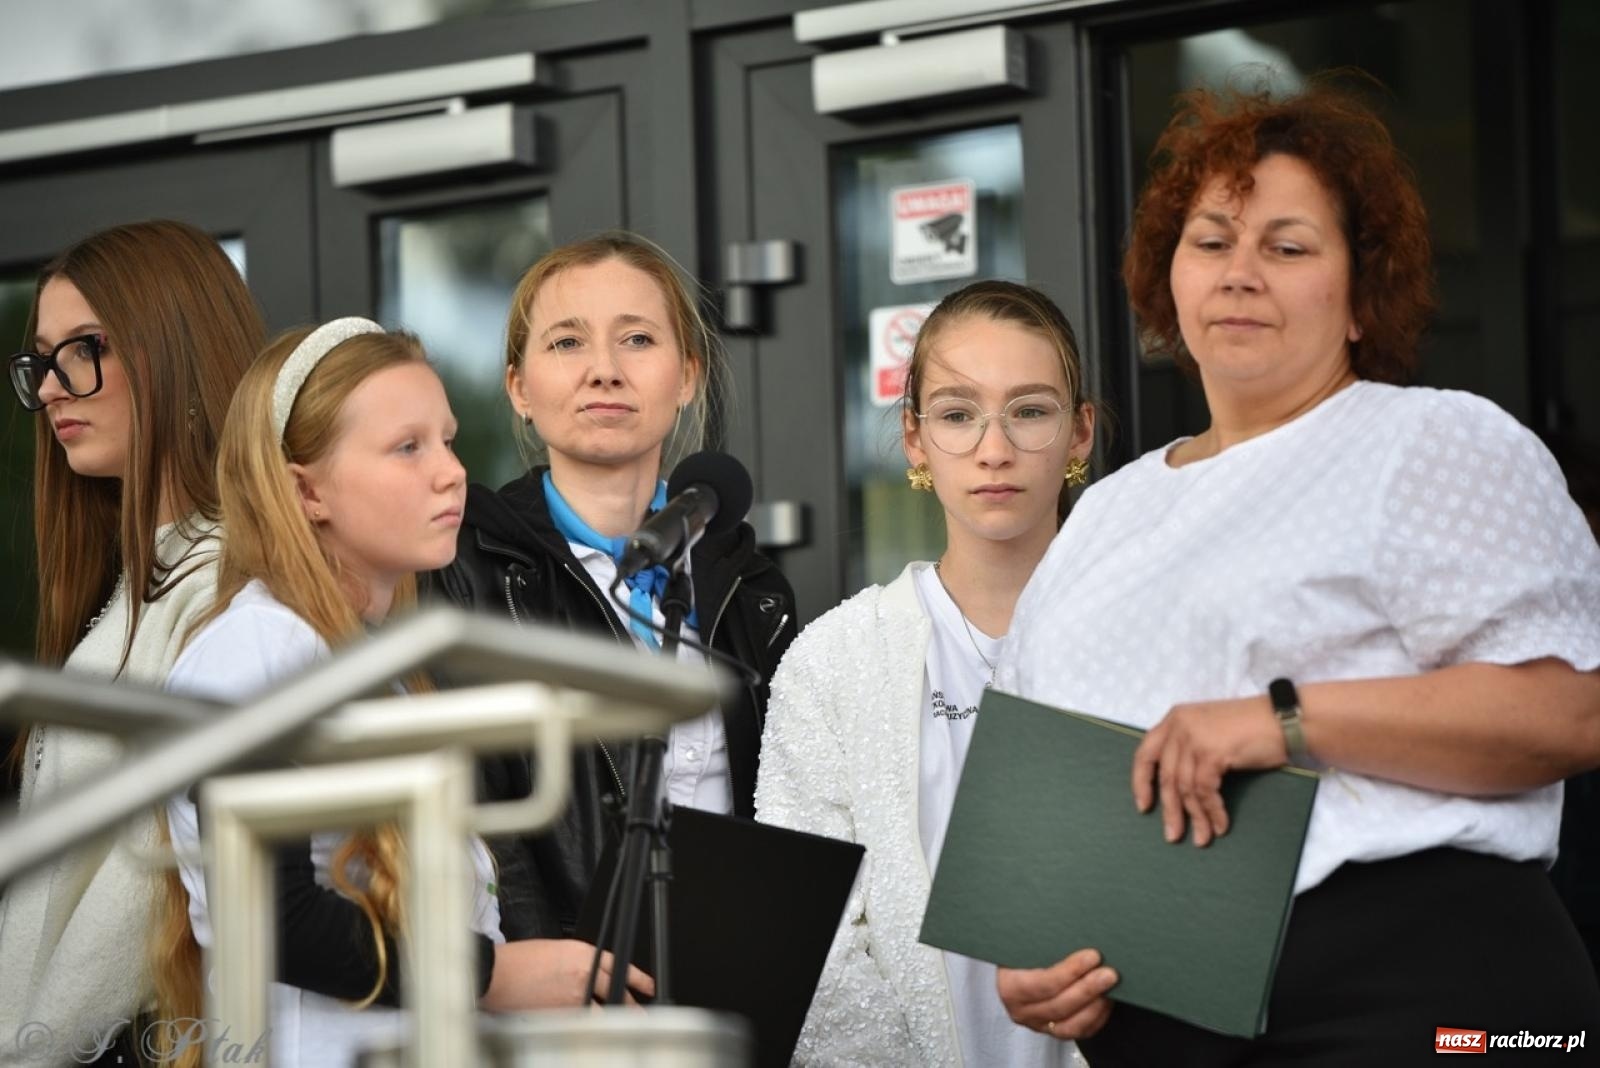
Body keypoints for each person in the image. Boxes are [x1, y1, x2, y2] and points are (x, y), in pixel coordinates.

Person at [995, 82, 1600, 1064]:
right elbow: (1046, 792)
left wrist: (1273, 721)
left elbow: (1568, 714)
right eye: (1210, 240)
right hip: (1158, 1017)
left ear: (1362, 297)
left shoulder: (1429, 438)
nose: (1239, 274)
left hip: (1404, 987)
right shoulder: (1106, 510)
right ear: (1166, 280)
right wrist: (1030, 959)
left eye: (1286, 246)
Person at [154, 319, 652, 1068]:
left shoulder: (374, 662)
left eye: (447, 441)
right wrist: (497, 976)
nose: (452, 472)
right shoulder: (259, 644)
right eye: (407, 447)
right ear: (305, 490)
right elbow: (269, 915)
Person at [755, 280, 1097, 1067]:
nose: (994, 447)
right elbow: (812, 946)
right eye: (956, 413)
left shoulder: (1150, 637)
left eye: (1031, 410)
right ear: (914, 439)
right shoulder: (832, 662)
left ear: (1079, 432)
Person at [431, 232, 798, 944]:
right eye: (567, 344)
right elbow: (473, 816)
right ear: (519, 387)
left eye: (636, 339)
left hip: (733, 988)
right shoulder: (465, 571)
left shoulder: (752, 590)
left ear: (688, 376)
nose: (604, 370)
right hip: (557, 1006)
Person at [0, 220, 263, 1066]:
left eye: (84, 349)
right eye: (42, 360)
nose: (50, 389)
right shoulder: (137, 585)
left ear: (175, 347)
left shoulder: (227, 590)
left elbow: (139, 896)